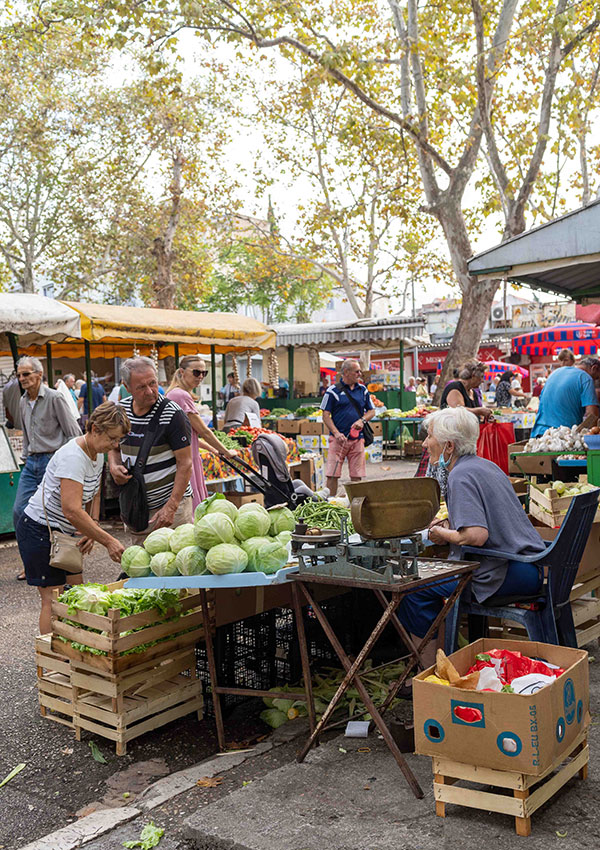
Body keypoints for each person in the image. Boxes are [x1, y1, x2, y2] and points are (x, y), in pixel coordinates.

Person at [400, 406, 546, 666]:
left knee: (413, 591)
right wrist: (449, 527)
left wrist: (440, 532)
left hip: (504, 574)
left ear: (448, 446)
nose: (424, 443)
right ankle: (446, 660)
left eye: (430, 436)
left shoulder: (461, 475)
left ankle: (432, 671)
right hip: (528, 567)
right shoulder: (485, 466)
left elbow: (477, 535)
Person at [15, 402, 129, 634]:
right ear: (95, 429)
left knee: (78, 594)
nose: (115, 445)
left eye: (119, 440)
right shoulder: (73, 457)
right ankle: (52, 659)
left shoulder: (96, 453)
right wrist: (108, 540)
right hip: (39, 530)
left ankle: (75, 652)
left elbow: (94, 490)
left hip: (65, 532)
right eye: (112, 438)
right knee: (54, 599)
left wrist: (92, 525)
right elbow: (72, 510)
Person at [109, 356, 193, 542]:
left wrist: (171, 508)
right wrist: (114, 466)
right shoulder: (121, 411)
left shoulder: (173, 414)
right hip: (138, 508)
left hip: (172, 509)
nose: (150, 391)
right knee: (143, 565)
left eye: (153, 383)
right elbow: (113, 447)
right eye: (141, 387)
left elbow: (185, 463)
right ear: (126, 386)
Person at [13, 357, 82, 579]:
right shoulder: (23, 400)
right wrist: (25, 457)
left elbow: (74, 433)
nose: (22, 378)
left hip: (53, 462)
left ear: (39, 375)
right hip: (31, 462)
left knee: (59, 515)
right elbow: (25, 433)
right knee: (20, 512)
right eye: (19, 374)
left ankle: (67, 564)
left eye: (26, 374)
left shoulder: (54, 398)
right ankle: (30, 563)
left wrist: (66, 462)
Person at [167, 355, 238, 509]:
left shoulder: (174, 393)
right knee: (192, 507)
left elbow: (189, 436)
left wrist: (213, 449)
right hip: (186, 459)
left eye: (204, 373)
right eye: (196, 372)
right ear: (181, 372)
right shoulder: (181, 396)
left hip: (186, 456)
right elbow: (203, 431)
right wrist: (226, 451)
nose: (200, 377)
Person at [321, 359, 376, 496]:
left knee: (357, 475)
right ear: (346, 372)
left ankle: (354, 503)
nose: (360, 374)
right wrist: (336, 433)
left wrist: (362, 420)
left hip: (358, 439)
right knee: (332, 474)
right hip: (338, 439)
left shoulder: (362, 390)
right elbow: (326, 415)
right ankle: (330, 502)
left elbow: (372, 411)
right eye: (356, 371)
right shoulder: (332, 391)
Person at [530, 355, 600, 437]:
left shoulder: (555, 373)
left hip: (540, 434)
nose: (595, 381)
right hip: (563, 437)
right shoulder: (585, 378)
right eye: (597, 377)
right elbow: (592, 415)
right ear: (594, 368)